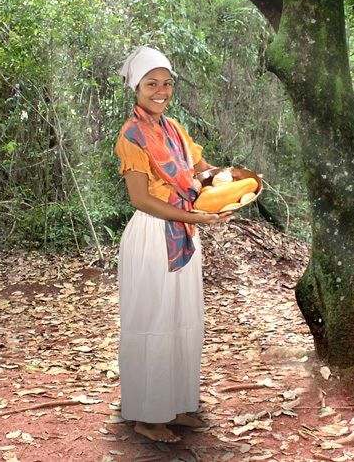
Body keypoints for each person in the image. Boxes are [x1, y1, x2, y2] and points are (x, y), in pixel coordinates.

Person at [114, 46, 232, 443]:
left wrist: (233, 180)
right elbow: (141, 198)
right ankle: (148, 416)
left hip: (183, 233)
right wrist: (196, 217)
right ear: (137, 87)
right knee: (154, 322)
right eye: (152, 83)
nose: (161, 90)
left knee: (182, 320)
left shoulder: (174, 128)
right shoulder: (132, 135)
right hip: (153, 235)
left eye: (166, 83)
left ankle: (176, 405)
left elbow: (203, 170)